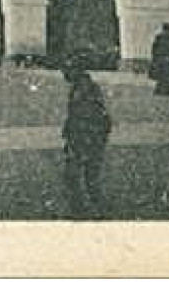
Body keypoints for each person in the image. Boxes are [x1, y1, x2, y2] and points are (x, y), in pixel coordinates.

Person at [61, 53, 112, 219]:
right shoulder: (81, 86)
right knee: (84, 176)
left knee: (79, 176)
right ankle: (89, 209)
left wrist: (80, 140)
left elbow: (89, 115)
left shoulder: (85, 88)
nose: (65, 74)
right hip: (84, 137)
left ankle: (87, 210)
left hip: (86, 138)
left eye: (68, 70)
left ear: (77, 70)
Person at [148, 22, 169, 95]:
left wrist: (155, 57)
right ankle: (165, 91)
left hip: (160, 59)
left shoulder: (159, 37)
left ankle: (160, 90)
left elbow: (154, 48)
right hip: (165, 60)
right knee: (165, 76)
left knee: (162, 76)